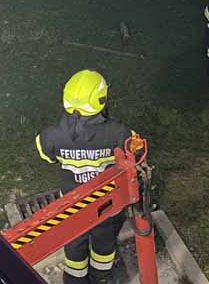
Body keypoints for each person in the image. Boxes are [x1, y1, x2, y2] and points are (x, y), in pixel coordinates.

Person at [35, 70, 135, 283]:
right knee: (104, 241)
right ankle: (100, 276)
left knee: (74, 239)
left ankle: (75, 278)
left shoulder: (51, 136)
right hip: (106, 202)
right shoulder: (119, 132)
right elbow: (133, 150)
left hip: (71, 203)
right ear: (101, 100)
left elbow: (46, 154)